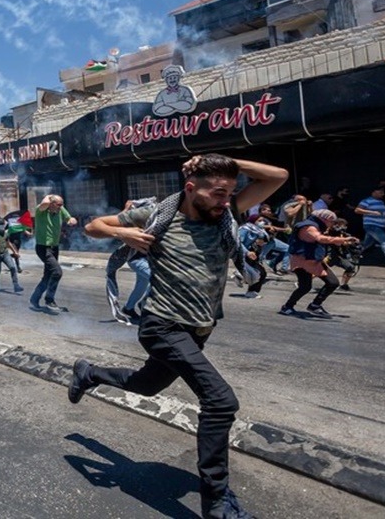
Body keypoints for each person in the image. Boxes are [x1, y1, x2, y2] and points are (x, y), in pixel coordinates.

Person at [73, 154, 287, 519]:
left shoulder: (228, 212)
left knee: (146, 385)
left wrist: (226, 160)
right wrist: (120, 232)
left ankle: (89, 373)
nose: (225, 200)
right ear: (191, 189)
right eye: (218, 193)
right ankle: (216, 503)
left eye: (229, 192)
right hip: (162, 326)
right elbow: (93, 226)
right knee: (220, 401)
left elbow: (278, 174)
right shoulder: (158, 215)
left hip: (198, 328)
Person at [279, 209, 359, 317]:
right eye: (331, 221)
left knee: (333, 283)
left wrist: (344, 241)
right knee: (305, 286)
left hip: (314, 260)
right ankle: (287, 307)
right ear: (323, 219)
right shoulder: (308, 227)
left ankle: (315, 305)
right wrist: (340, 240)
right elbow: (319, 238)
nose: (332, 224)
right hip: (302, 261)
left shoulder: (319, 226)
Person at [103, 198, 156, 324]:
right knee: (157, 280)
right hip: (135, 259)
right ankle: (145, 305)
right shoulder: (132, 223)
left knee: (141, 286)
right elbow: (115, 222)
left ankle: (128, 308)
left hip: (146, 258)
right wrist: (126, 209)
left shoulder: (153, 222)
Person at [30, 194, 78, 312]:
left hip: (54, 247)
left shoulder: (60, 209)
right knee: (57, 272)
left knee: (48, 275)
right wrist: (49, 195)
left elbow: (70, 218)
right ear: (51, 203)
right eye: (58, 204)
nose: (61, 207)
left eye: (62, 205)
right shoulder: (40, 210)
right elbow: (45, 203)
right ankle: (49, 300)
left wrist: (72, 220)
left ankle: (34, 299)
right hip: (43, 247)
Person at [0, 217, 20, 292]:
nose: (1, 226)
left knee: (12, 267)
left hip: (5, 253)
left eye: (2, 224)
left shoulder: (5, 233)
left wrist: (15, 252)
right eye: (0, 224)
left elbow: (8, 243)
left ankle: (16, 285)